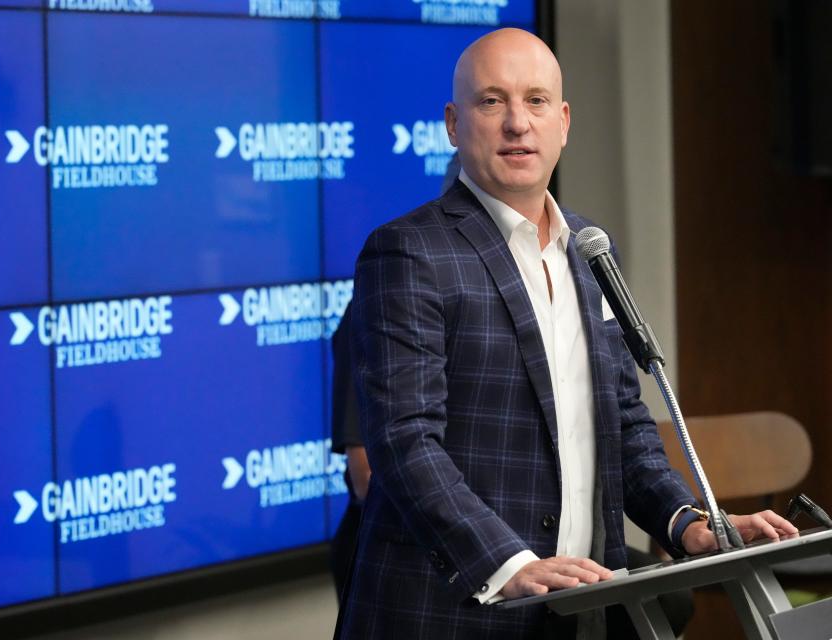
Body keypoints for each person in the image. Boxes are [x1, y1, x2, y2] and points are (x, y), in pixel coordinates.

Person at [334, 28, 797, 639]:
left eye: (536, 101)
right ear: (452, 123)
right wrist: (512, 563)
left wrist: (686, 521)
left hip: (581, 606)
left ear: (565, 121)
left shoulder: (590, 249)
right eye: (491, 101)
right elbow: (404, 443)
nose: (518, 123)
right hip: (454, 614)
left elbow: (624, 424)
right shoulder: (408, 252)